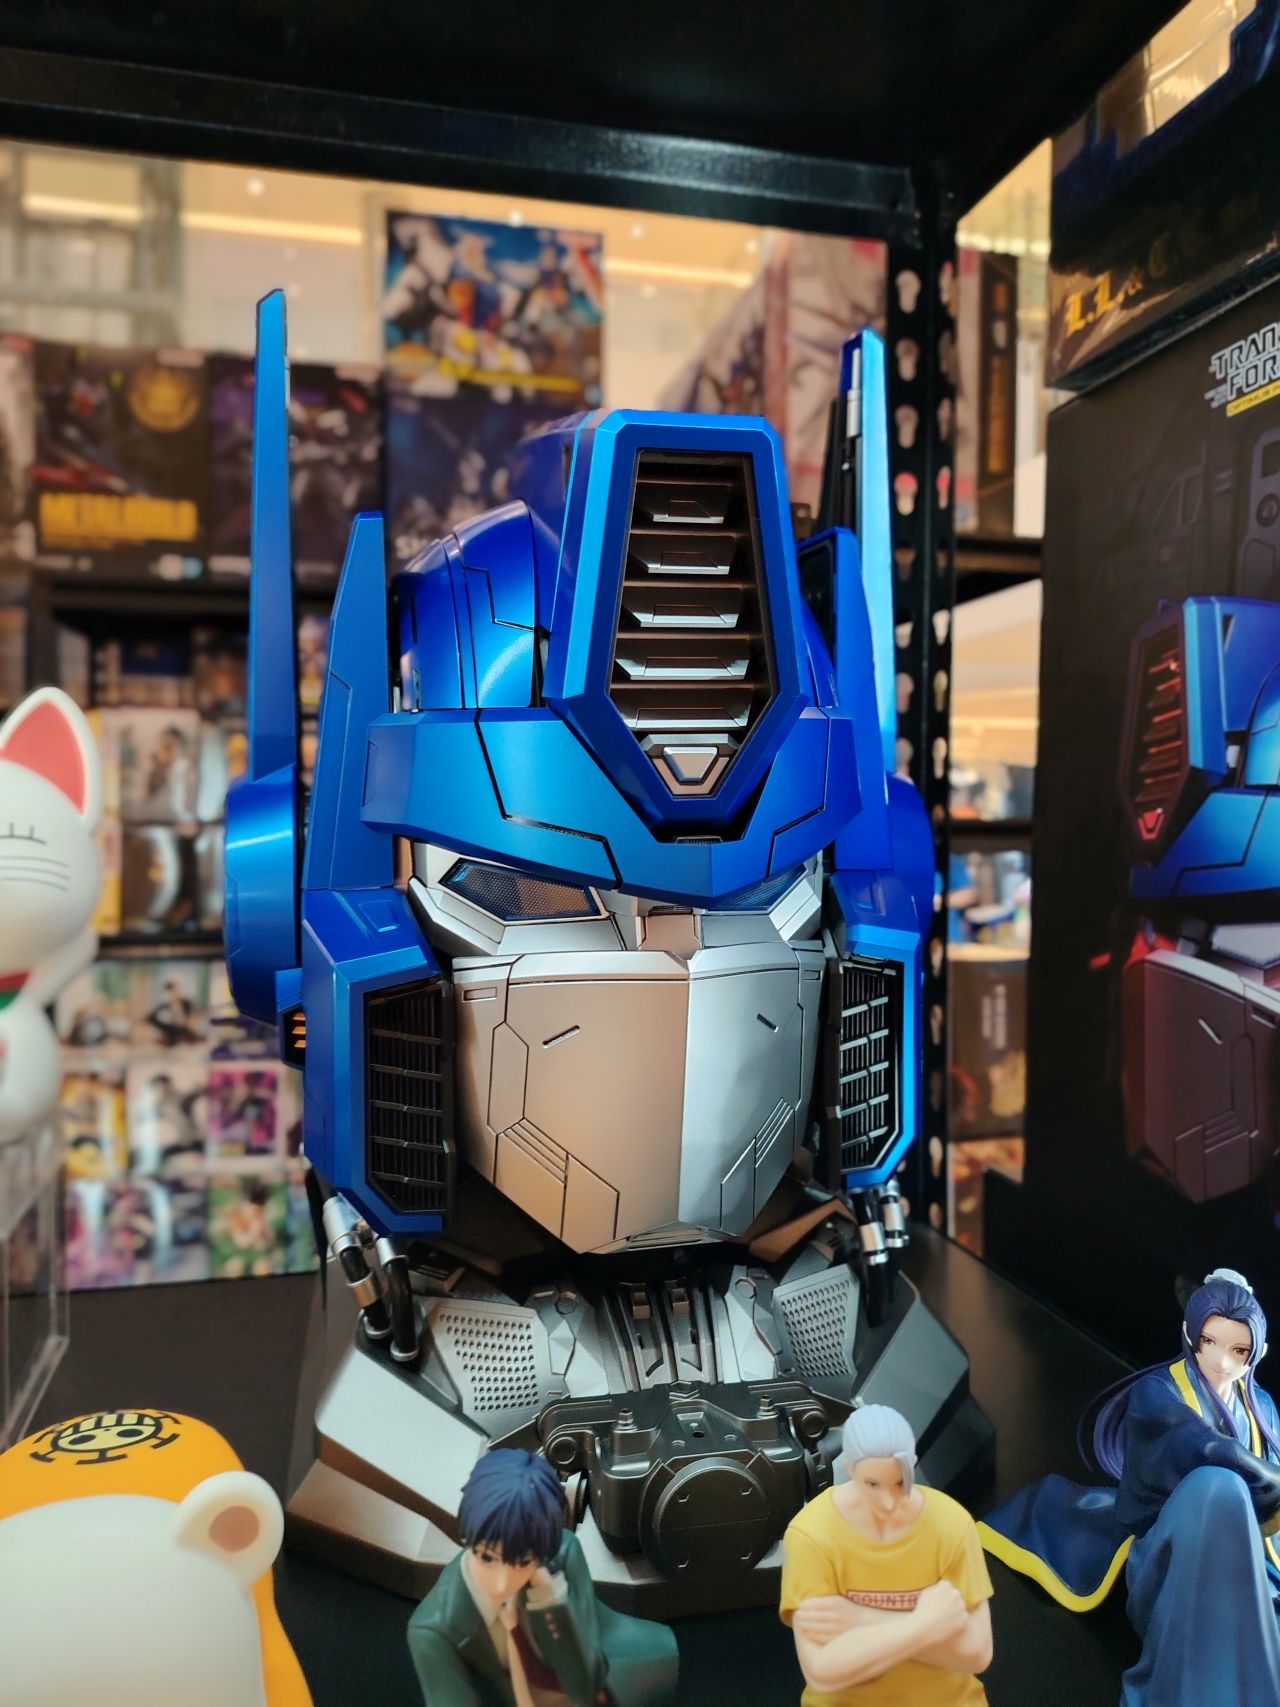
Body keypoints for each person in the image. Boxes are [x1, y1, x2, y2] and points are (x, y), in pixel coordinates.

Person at [979, 1267, 1280, 1707]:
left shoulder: (1263, 1408)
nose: (1221, 1361)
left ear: (1259, 1352)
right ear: (1189, 1334)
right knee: (1216, 1487)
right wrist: (1257, 1474)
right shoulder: (1158, 1395)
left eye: (1239, 1350)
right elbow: (1197, 1447)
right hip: (1174, 1561)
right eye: (1209, 1342)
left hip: (1250, 1563)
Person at [407, 1448, 677, 1707]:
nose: (501, 1583)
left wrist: (550, 1601)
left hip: (615, 1679)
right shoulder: (433, 1631)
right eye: (488, 1558)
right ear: (468, 1538)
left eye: (521, 1563)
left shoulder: (562, 1554)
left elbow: (586, 1684)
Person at [779, 1404, 993, 1706]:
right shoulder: (812, 1534)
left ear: (913, 1464)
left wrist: (862, 1618)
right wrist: (927, 1623)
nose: (889, 1502)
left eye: (900, 1482)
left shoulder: (951, 1523)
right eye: (872, 1484)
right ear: (849, 1469)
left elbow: (977, 1654)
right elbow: (822, 1672)